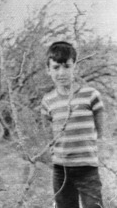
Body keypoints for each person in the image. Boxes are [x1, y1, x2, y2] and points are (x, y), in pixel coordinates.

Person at [41, 41, 106, 208]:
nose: (61, 72)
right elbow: (48, 134)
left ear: (74, 66)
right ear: (48, 70)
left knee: (94, 206)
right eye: (56, 67)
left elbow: (101, 130)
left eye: (66, 66)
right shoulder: (47, 101)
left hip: (87, 167)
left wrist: (95, 150)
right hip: (61, 169)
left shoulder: (90, 95)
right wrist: (54, 154)